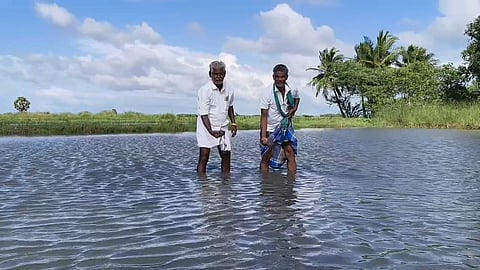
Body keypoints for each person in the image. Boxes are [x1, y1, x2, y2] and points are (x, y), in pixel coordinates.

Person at [196, 60, 237, 174]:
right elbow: (204, 114)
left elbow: (230, 106)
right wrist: (211, 131)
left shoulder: (229, 88)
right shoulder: (204, 91)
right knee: (204, 156)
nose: (219, 77)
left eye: (221, 74)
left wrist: (233, 123)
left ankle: (226, 183)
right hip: (206, 126)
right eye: (216, 74)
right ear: (210, 74)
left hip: (223, 125)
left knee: (226, 155)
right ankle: (203, 185)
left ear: (225, 74)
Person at [259, 64, 300, 172]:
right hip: (271, 128)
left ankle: (292, 184)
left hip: (285, 127)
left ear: (286, 77)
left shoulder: (292, 90)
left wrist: (293, 110)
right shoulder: (266, 93)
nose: (279, 79)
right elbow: (263, 115)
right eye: (277, 77)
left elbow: (297, 98)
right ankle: (265, 185)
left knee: (290, 153)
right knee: (266, 156)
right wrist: (263, 136)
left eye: (282, 77)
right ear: (273, 77)